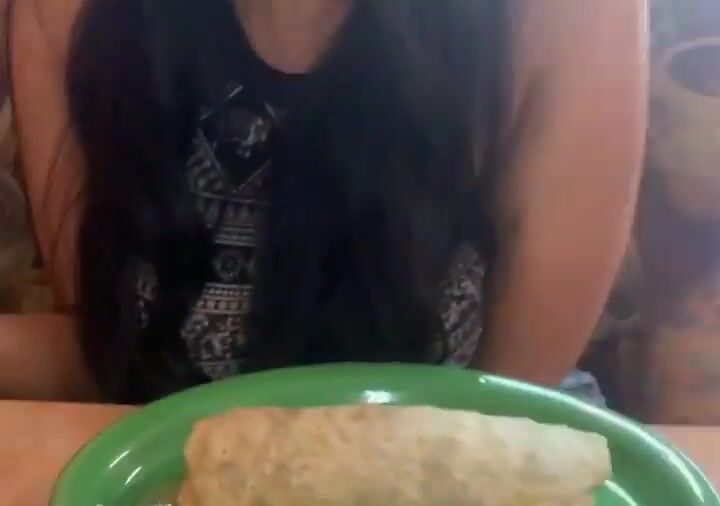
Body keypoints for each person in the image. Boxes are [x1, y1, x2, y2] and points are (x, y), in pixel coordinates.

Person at [6, 0, 648, 403]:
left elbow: (514, 392)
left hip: (470, 445)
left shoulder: (568, 15)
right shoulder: (62, 13)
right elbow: (111, 344)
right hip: (168, 456)